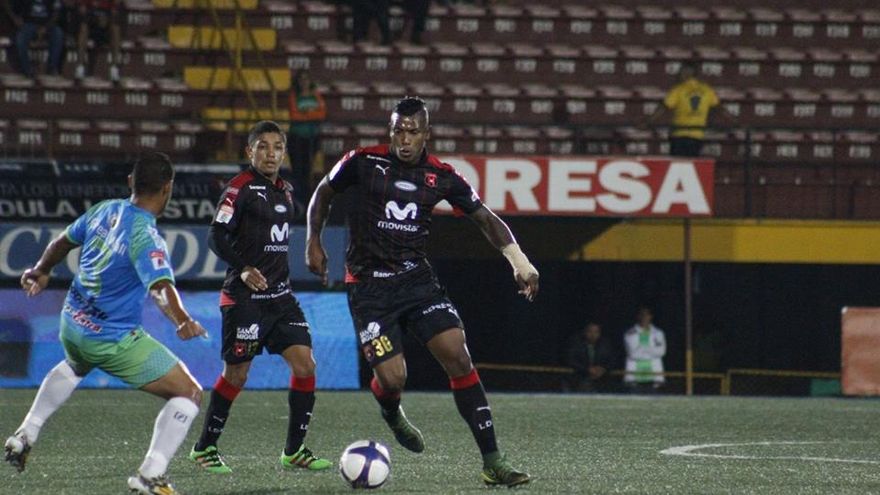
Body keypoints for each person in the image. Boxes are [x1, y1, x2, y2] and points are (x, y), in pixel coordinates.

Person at [306, 96, 538, 487]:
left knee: (458, 355)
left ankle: (493, 461)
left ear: (426, 134)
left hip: (417, 283)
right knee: (393, 379)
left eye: (412, 131)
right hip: (369, 288)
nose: (404, 139)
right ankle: (391, 411)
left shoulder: (442, 176)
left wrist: (520, 261)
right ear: (390, 130)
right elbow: (323, 192)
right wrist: (313, 239)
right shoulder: (361, 162)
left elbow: (485, 218)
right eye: (398, 130)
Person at [3, 152, 206, 495]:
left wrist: (41, 270)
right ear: (168, 188)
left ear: (130, 182)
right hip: (110, 338)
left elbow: (63, 241)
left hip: (73, 322)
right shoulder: (146, 235)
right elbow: (160, 287)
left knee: (75, 364)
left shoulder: (105, 209)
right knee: (189, 393)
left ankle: (26, 433)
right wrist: (182, 319)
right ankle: (150, 475)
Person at [189, 120, 331, 474]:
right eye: (263, 147)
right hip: (245, 298)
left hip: (281, 299)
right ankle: (204, 447)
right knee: (236, 375)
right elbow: (215, 235)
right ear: (249, 151)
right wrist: (243, 267)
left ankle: (294, 451)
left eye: (277, 147)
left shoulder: (286, 191)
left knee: (306, 365)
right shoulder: (239, 188)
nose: (271, 154)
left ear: (285, 153)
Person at [647, 60, 728, 157]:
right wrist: (734, 120)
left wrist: (648, 121)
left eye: (681, 71)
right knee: (691, 163)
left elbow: (663, 107)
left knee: (677, 163)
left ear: (687, 72)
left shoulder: (678, 89)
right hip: (696, 135)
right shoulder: (707, 90)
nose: (679, 74)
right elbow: (720, 108)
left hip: (679, 135)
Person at [287, 70, 327, 207]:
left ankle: (308, 200)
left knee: (309, 170)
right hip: (297, 138)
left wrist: (305, 114)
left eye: (306, 79)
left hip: (312, 137)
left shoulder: (316, 95)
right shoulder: (294, 96)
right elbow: (294, 115)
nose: (304, 82)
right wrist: (311, 114)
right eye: (301, 80)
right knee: (298, 170)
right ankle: (298, 200)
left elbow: (321, 114)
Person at [2, 0, 65, 77]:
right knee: (21, 38)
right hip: (29, 24)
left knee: (58, 34)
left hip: (47, 24)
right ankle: (27, 69)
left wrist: (46, 27)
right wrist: (16, 18)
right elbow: (9, 5)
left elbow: (56, 13)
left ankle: (51, 68)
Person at [71, 0, 121, 82]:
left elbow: (115, 10)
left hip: (105, 22)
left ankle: (114, 68)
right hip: (90, 22)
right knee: (83, 28)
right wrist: (93, 17)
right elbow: (81, 9)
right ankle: (80, 66)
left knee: (115, 29)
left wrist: (107, 18)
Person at [623, 307, 666, 392]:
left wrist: (642, 348)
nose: (644, 317)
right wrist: (651, 351)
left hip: (654, 378)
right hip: (634, 378)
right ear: (638, 316)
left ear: (651, 316)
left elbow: (661, 352)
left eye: (647, 315)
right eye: (642, 315)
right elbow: (632, 354)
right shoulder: (629, 333)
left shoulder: (658, 333)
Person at [564, 321, 614, 393]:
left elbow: (612, 360)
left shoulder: (605, 345)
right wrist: (587, 369)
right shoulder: (576, 343)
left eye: (596, 332)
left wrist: (603, 369)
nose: (593, 335)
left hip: (602, 381)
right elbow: (570, 360)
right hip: (580, 379)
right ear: (585, 332)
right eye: (590, 331)